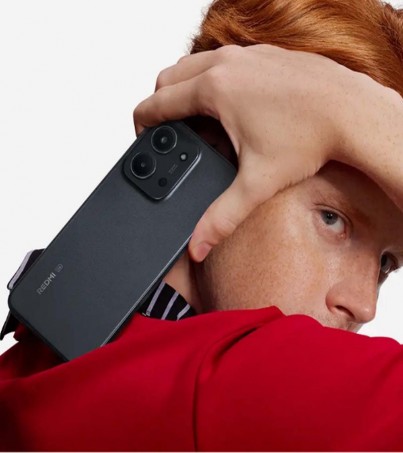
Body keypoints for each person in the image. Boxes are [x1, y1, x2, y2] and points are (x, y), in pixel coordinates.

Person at [1, 0, 403, 450]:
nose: (364, 305)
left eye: (386, 263)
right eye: (333, 219)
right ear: (218, 154)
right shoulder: (236, 378)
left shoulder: (37, 367)